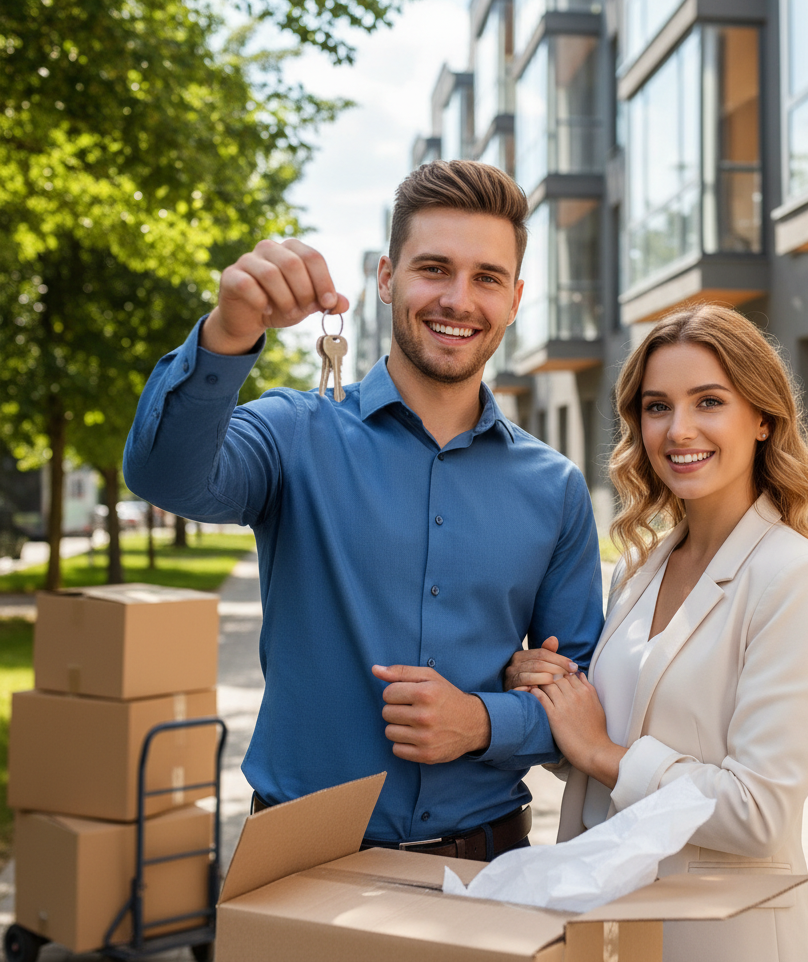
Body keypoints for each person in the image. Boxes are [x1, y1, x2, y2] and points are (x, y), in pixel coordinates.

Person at [123, 160, 604, 860]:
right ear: (386, 279)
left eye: (487, 278)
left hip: (488, 866)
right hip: (301, 858)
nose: (458, 299)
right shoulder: (294, 432)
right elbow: (164, 473)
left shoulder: (555, 487)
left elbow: (583, 699)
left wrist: (481, 722)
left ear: (515, 297)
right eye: (433, 268)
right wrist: (229, 330)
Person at [506, 305, 808, 961]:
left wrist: (602, 752)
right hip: (612, 929)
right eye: (657, 406)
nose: (678, 429)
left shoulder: (796, 578)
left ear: (762, 418)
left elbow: (757, 813)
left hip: (722, 939)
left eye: (709, 401)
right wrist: (550, 695)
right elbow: (607, 749)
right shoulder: (639, 569)